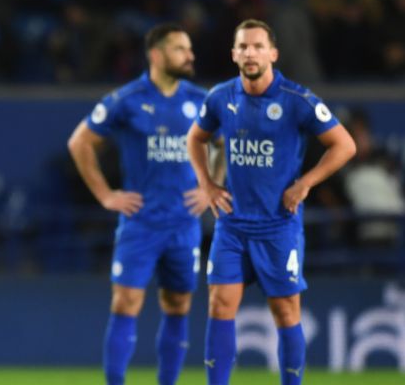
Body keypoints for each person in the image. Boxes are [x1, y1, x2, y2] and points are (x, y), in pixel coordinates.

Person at [186, 19, 356, 385]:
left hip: (278, 226)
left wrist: (306, 182)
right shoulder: (220, 97)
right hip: (232, 225)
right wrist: (208, 185)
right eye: (243, 46)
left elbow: (345, 145)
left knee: (285, 310)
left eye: (258, 46)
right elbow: (194, 138)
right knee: (219, 304)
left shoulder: (297, 100)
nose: (250, 53)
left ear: (273, 54)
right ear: (234, 54)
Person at [68, 23, 214, 385]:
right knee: (125, 302)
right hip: (140, 222)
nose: (190, 55)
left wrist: (212, 187)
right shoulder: (127, 99)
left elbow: (226, 144)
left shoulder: (201, 100)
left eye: (189, 49)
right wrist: (105, 194)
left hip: (184, 223)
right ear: (156, 54)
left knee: (179, 304)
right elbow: (80, 143)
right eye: (180, 48)